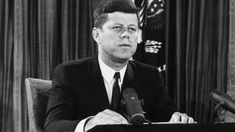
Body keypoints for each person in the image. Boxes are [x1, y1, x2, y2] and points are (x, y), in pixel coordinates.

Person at [44, 0, 195, 131]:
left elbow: (166, 118)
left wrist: (177, 120)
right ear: (97, 35)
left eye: (132, 29)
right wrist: (90, 123)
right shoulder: (69, 73)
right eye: (117, 28)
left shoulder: (150, 75)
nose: (126, 34)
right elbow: (53, 126)